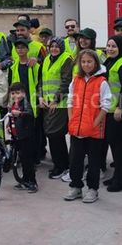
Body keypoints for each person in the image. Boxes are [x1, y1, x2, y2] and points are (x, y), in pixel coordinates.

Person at [64, 49, 111, 204]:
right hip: (76, 129)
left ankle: (92, 189)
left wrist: (95, 123)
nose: (86, 64)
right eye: (83, 61)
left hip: (93, 131)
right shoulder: (76, 80)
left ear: (95, 63)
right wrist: (71, 120)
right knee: (75, 160)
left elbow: (106, 105)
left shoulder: (101, 82)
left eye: (89, 61)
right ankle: (76, 187)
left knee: (94, 162)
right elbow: (70, 101)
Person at [102, 36, 122, 193]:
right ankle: (117, 176)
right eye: (108, 46)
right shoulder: (108, 62)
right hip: (109, 110)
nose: (110, 49)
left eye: (114, 46)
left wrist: (121, 107)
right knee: (114, 145)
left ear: (121, 47)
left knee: (119, 147)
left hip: (119, 112)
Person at [40, 37, 73, 181]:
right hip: (47, 103)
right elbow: (41, 81)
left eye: (56, 46)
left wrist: (55, 100)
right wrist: (40, 97)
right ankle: (59, 164)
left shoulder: (66, 59)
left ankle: (63, 166)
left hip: (60, 104)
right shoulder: (47, 59)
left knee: (56, 135)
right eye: (51, 46)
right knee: (52, 136)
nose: (54, 48)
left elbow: (66, 81)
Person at [9, 38, 41, 162]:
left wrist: (39, 99)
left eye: (23, 47)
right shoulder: (13, 67)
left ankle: (34, 158)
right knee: (21, 130)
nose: (20, 50)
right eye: (18, 48)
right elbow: (10, 84)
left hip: (32, 102)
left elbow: (40, 83)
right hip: (19, 102)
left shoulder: (35, 65)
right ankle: (24, 158)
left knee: (34, 132)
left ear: (28, 49)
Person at [8, 82, 38, 192]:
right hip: (18, 136)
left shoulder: (25, 103)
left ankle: (32, 183)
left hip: (26, 136)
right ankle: (25, 181)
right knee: (23, 159)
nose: (15, 95)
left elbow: (30, 114)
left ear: (24, 94)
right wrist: (8, 126)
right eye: (13, 93)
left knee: (28, 161)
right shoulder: (13, 104)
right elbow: (12, 117)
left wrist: (20, 114)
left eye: (18, 93)